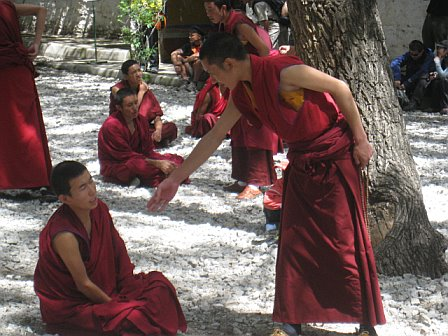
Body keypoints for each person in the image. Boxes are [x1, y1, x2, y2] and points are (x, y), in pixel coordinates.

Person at [148, 33, 386, 336]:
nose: (213, 80)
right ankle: (290, 324)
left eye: (214, 72)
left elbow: (340, 88)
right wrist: (175, 179)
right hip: (302, 162)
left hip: (335, 157)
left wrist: (362, 141)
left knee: (345, 240)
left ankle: (365, 325)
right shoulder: (244, 93)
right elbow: (215, 135)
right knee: (294, 243)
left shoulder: (284, 71)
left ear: (230, 64)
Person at [34, 161, 187, 335]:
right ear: (64, 199)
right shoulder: (64, 235)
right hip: (73, 305)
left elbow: (118, 251)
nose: (92, 191)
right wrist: (116, 307)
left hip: (108, 289)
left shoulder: (99, 210)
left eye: (91, 181)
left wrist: (126, 285)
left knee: (160, 286)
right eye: (83, 187)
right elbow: (83, 284)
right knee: (136, 318)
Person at [204, 0, 281, 200]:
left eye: (210, 9)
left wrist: (258, 80)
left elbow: (263, 49)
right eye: (205, 10)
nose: (208, 14)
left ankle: (257, 182)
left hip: (251, 79)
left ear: (223, 8)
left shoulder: (240, 25)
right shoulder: (224, 24)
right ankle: (242, 177)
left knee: (254, 129)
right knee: (238, 130)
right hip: (236, 80)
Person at [0, 1, 52, 190]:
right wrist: (36, 44)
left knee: (9, 127)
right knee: (27, 125)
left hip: (7, 72)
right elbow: (41, 10)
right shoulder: (8, 6)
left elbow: (41, 10)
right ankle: (36, 178)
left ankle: (21, 179)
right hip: (19, 70)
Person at [100, 88, 187, 188]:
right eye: (129, 105)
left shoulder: (140, 119)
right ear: (119, 108)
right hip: (119, 163)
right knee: (137, 167)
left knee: (177, 160)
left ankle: (144, 178)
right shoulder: (112, 126)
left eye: (136, 103)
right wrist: (157, 164)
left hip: (141, 158)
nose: (135, 108)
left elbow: (148, 150)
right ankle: (169, 175)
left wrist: (160, 161)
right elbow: (125, 156)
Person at [110, 59, 177, 148]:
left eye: (139, 70)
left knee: (171, 127)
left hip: (143, 128)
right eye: (133, 72)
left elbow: (156, 116)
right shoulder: (118, 89)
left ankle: (147, 142)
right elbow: (131, 111)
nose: (138, 75)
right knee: (128, 137)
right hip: (126, 128)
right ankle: (149, 143)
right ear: (126, 76)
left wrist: (158, 131)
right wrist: (141, 92)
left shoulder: (144, 89)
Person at [390, 40, 434, 111]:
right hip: (410, 79)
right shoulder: (409, 55)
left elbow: (422, 71)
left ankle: (414, 103)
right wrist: (397, 79)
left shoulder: (429, 56)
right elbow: (394, 63)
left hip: (422, 82)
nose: (413, 56)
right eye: (411, 54)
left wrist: (407, 83)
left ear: (422, 52)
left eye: (415, 55)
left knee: (424, 78)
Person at [170, 25, 208, 91]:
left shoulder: (206, 44)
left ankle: (194, 83)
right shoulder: (188, 46)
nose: (189, 37)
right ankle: (185, 81)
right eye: (189, 35)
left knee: (198, 61)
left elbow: (198, 55)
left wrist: (186, 60)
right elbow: (176, 52)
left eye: (192, 35)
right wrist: (176, 63)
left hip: (204, 71)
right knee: (178, 57)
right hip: (192, 70)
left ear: (199, 36)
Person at [430, 40, 448, 115]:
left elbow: (444, 76)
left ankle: (445, 106)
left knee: (444, 81)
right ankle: (436, 106)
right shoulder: (443, 57)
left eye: (440, 48)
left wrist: (437, 63)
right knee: (436, 82)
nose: (437, 50)